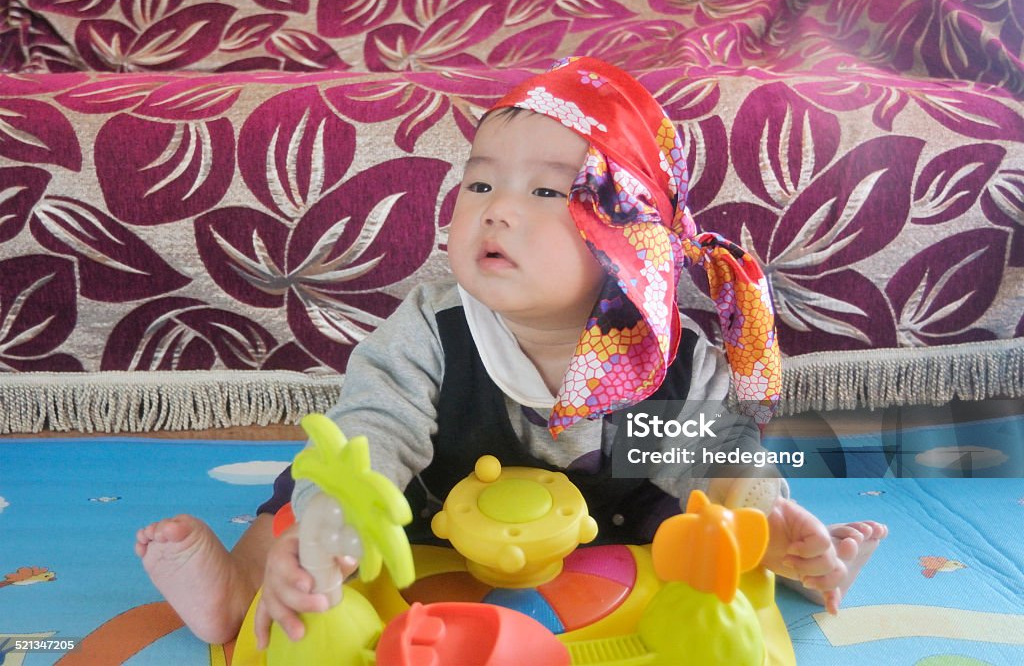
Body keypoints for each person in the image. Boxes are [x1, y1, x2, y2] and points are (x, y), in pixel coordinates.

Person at [136, 57, 887, 648]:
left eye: (548, 194)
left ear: (629, 242)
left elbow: (717, 461)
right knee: (307, 500)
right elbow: (372, 430)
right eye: (481, 181)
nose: (497, 207)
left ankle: (811, 560)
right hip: (425, 517)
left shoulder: (670, 362)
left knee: (724, 527)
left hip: (613, 526)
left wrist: (765, 515)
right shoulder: (433, 328)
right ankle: (238, 587)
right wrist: (338, 519)